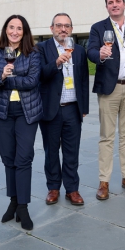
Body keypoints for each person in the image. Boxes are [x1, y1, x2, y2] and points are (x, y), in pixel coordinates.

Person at [0, 15, 42, 230]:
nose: (15, 32)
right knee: (9, 159)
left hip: (27, 112)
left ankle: (23, 207)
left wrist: (6, 80)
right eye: (11, 28)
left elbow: (32, 82)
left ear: (24, 31)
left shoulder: (33, 53)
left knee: (23, 158)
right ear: (5, 30)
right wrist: (0, 76)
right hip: (2, 113)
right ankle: (13, 202)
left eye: (19, 28)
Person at [87, 0, 125, 200]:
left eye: (117, 1)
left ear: (124, 4)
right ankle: (104, 181)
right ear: (107, 7)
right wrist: (99, 54)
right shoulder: (98, 28)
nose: (114, 5)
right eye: (110, 3)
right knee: (107, 137)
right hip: (109, 89)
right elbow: (90, 51)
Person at [38, 13, 89, 205]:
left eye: (67, 26)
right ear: (51, 29)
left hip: (73, 108)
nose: (63, 29)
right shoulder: (42, 48)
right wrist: (57, 62)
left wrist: (83, 106)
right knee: (51, 151)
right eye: (59, 25)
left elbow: (83, 80)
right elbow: (39, 75)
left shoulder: (79, 50)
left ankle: (72, 189)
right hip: (51, 109)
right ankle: (53, 187)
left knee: (71, 151)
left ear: (72, 29)